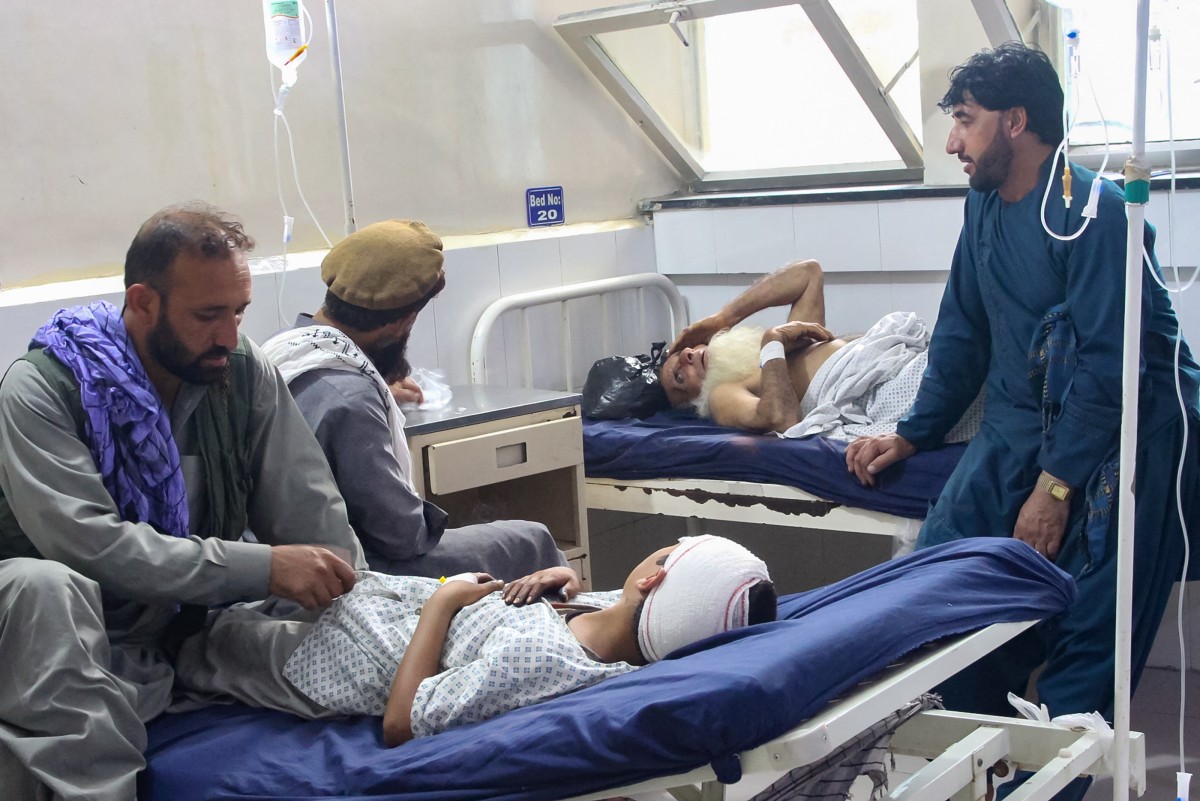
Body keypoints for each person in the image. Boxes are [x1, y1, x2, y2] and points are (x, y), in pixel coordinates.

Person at [844, 43, 1200, 800]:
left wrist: (1057, 485)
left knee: (1090, 629)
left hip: (1131, 434)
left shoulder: (1098, 214)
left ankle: (1047, 783)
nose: (951, 143)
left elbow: (1111, 368)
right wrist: (914, 430)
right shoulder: (981, 208)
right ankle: (969, 772)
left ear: (1016, 121)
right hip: (1017, 425)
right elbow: (962, 330)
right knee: (942, 593)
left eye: (964, 122)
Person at [0, 202, 365, 801]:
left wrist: (357, 612)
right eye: (208, 315)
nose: (229, 335)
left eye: (239, 312)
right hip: (65, 626)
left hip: (188, 626)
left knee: (357, 649)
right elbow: (94, 549)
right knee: (46, 590)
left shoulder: (241, 372)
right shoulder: (41, 390)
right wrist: (264, 568)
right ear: (143, 303)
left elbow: (315, 518)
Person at [174, 534, 776, 747]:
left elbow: (402, 723)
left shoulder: (540, 662)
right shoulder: (618, 628)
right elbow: (605, 616)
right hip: (373, 602)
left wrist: (441, 605)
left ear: (651, 578)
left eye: (669, 548)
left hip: (342, 663)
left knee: (191, 645)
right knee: (223, 586)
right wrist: (563, 583)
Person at [260, 219, 567, 580]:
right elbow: (401, 536)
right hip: (357, 568)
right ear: (403, 321)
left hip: (283, 552)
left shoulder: (285, 349)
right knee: (531, 540)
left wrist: (379, 391)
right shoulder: (353, 400)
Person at [661, 259, 981, 442]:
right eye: (680, 375)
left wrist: (724, 318)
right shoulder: (722, 395)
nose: (688, 357)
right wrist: (772, 340)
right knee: (978, 371)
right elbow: (781, 418)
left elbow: (807, 274)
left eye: (684, 352)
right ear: (692, 401)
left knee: (980, 349)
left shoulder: (777, 357)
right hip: (879, 390)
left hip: (893, 359)